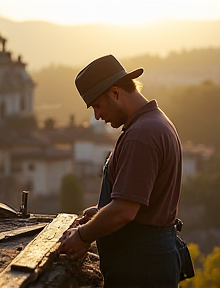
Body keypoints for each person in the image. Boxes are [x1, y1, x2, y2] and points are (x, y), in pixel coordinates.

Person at [60, 54, 183, 288]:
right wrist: (99, 214)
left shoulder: (141, 136)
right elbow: (141, 204)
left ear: (115, 93)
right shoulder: (154, 123)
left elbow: (125, 211)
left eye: (97, 105)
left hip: (140, 267)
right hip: (146, 261)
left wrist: (83, 235)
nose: (97, 116)